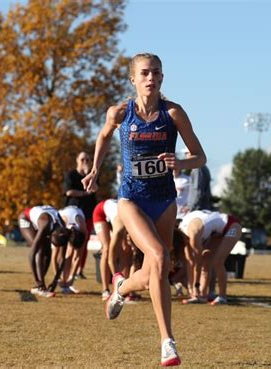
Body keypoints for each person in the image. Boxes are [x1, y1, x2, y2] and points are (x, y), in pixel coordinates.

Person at [82, 53, 206, 367]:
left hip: (164, 199)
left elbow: (200, 157)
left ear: (162, 78)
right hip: (132, 198)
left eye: (157, 73)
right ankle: (168, 342)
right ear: (133, 79)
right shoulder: (121, 113)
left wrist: (182, 163)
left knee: (156, 271)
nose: (151, 78)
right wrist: (96, 169)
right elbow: (103, 136)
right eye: (145, 73)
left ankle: (121, 286)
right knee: (161, 256)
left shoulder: (174, 113)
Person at [178, 210, 242, 305]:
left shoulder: (193, 234)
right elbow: (190, 262)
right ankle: (202, 295)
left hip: (232, 227)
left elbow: (197, 265)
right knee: (206, 260)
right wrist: (191, 288)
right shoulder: (183, 231)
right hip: (216, 232)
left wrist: (195, 287)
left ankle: (222, 296)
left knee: (217, 262)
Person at [18, 205, 70, 298]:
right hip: (26, 219)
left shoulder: (64, 231)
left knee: (48, 253)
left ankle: (39, 286)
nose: (49, 238)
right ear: (52, 234)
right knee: (40, 249)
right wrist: (37, 280)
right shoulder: (45, 223)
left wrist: (55, 281)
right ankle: (39, 286)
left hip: (45, 220)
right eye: (50, 238)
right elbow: (32, 255)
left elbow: (62, 258)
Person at [63, 151, 98, 279]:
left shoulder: (92, 175)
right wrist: (83, 193)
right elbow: (68, 192)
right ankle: (66, 270)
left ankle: (79, 270)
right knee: (70, 243)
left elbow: (95, 188)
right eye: (83, 159)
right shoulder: (71, 175)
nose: (85, 162)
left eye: (88, 159)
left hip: (88, 212)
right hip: (72, 212)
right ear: (77, 160)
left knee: (84, 241)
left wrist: (89, 173)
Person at [92, 198, 129, 300]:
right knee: (107, 249)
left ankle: (123, 288)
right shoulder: (119, 222)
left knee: (126, 250)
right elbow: (111, 258)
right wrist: (116, 277)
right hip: (100, 213)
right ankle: (105, 289)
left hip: (118, 213)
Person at [57, 205, 88, 294]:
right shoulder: (62, 225)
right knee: (68, 254)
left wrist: (72, 277)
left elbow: (78, 257)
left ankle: (69, 283)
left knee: (75, 254)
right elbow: (57, 255)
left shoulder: (83, 231)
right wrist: (58, 278)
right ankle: (64, 281)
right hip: (65, 217)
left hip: (77, 214)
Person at [186, 147, 212, 211]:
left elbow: (198, 191)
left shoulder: (197, 169)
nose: (186, 156)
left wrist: (191, 207)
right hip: (201, 208)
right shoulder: (202, 167)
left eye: (186, 153)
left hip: (198, 209)